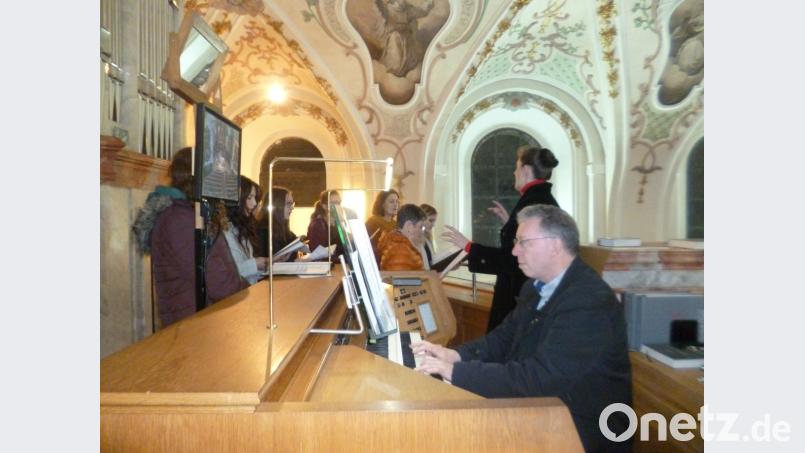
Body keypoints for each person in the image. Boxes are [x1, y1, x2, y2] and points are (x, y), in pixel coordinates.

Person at [412, 205, 632, 452]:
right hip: (546, 414)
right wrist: (455, 355)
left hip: (582, 430)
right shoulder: (534, 287)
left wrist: (457, 372)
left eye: (523, 242)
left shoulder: (589, 301)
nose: (515, 250)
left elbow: (541, 378)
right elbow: (503, 339)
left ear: (555, 245)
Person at [443, 146, 559, 332]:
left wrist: (469, 247)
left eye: (516, 167)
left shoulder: (532, 204)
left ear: (526, 170)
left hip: (520, 299)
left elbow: (512, 259)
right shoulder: (540, 199)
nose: (514, 173)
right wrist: (509, 223)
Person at [132, 148, 247, 328]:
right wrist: (246, 289)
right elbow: (218, 285)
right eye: (218, 174)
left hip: (205, 323)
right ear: (199, 177)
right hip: (192, 328)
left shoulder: (192, 215)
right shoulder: (180, 220)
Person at [222, 176, 267, 285]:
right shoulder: (225, 230)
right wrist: (257, 263)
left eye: (255, 197)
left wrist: (265, 266)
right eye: (249, 197)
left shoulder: (240, 226)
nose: (255, 203)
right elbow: (232, 272)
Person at [377, 204, 427, 271]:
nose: (422, 232)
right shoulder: (401, 251)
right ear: (409, 226)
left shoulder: (399, 246)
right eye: (421, 227)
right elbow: (400, 281)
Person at [256, 186, 300, 262]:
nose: (292, 208)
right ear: (277, 205)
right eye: (288, 204)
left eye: (292, 204)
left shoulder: (287, 232)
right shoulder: (262, 230)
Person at [366, 189, 400, 260]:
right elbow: (368, 247)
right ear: (382, 204)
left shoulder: (396, 224)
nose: (395, 204)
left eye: (397, 201)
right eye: (391, 202)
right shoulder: (373, 222)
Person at [419, 203, 438, 268]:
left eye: (434, 221)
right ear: (421, 219)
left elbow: (431, 263)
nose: (433, 225)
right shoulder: (413, 240)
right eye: (430, 220)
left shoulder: (427, 239)